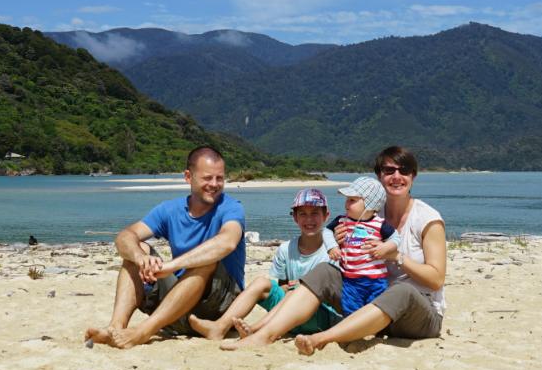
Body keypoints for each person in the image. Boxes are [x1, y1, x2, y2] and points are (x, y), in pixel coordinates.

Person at [222, 145, 446, 354]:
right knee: (325, 271)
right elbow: (347, 256)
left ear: (413, 176)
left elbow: (436, 279)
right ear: (379, 177)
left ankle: (320, 340)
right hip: (371, 305)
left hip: (418, 314)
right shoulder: (365, 214)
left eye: (404, 170)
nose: (396, 176)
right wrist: (338, 244)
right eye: (389, 170)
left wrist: (396, 256)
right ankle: (264, 334)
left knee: (402, 290)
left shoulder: (427, 219)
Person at [83, 145, 245, 349]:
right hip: (178, 304)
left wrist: (170, 266)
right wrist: (140, 257)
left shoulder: (231, 207)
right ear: (188, 177)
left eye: (219, 178)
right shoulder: (169, 210)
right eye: (207, 178)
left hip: (217, 305)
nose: (214, 184)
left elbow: (227, 241)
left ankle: (143, 331)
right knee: (138, 247)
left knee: (207, 262)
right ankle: (115, 328)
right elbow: (124, 237)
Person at [188, 187, 340, 340]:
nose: (309, 220)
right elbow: (282, 286)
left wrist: (301, 289)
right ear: (295, 217)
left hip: (320, 315)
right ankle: (220, 326)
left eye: (315, 213)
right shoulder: (286, 249)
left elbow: (336, 294)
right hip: (286, 314)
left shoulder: (333, 251)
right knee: (262, 282)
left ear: (326, 216)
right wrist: (290, 288)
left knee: (297, 292)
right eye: (303, 214)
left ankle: (255, 330)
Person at [327, 176, 396, 315]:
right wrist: (332, 246)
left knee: (375, 308)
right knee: (350, 309)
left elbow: (396, 237)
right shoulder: (342, 220)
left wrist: (386, 247)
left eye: (352, 200)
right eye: (347, 199)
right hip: (350, 279)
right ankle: (353, 330)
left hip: (376, 279)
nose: (347, 204)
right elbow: (326, 231)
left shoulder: (379, 224)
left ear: (370, 203)